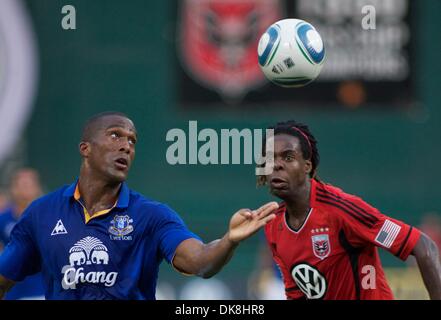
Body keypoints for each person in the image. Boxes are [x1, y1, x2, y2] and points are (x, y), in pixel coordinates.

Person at [0, 112, 278, 300]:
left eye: (132, 141)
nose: (126, 146)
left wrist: (229, 240)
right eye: (115, 136)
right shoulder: (42, 214)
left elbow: (200, 261)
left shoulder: (152, 216)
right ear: (85, 148)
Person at [257, 120, 441, 300]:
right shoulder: (274, 225)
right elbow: (296, 294)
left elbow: (424, 246)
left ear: (307, 166)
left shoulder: (341, 210)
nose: (277, 165)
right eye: (270, 158)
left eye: (288, 157)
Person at [0, 168, 45, 299]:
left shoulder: (50, 216)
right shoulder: (3, 219)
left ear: (37, 187)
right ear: (13, 188)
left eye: (29, 184)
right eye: (21, 184)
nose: (25, 189)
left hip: (43, 290)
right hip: (13, 292)